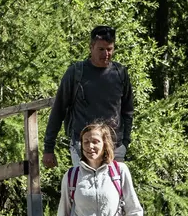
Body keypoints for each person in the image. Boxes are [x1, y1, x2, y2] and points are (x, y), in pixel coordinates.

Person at [42, 25, 135, 169]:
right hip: (83, 147)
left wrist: (125, 142)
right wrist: (48, 148)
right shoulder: (76, 73)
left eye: (110, 49)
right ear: (91, 47)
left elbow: (128, 111)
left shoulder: (120, 73)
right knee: (84, 189)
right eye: (101, 49)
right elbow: (58, 110)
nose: (106, 54)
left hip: (114, 147)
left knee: (113, 191)